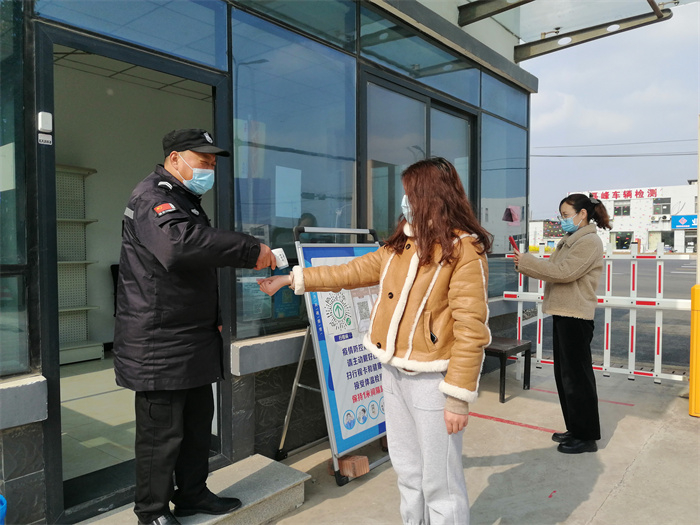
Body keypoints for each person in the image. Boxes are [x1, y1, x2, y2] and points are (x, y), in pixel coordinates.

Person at [259, 157, 492, 525]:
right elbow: (350, 272)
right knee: (409, 472)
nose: (403, 201)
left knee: (440, 483)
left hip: (434, 381)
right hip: (393, 373)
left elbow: (471, 329)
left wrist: (458, 397)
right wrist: (292, 279)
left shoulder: (464, 251)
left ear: (429, 196)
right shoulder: (401, 247)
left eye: (408, 193)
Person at [113, 128, 276, 525]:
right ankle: (151, 512)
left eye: (213, 163)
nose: (209, 169)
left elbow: (193, 272)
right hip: (159, 343)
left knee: (197, 426)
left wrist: (216, 321)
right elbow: (179, 247)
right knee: (161, 435)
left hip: (190, 338)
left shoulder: (185, 200)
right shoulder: (153, 197)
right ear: (174, 160)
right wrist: (249, 249)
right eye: (202, 161)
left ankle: (192, 495)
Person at [513, 193, 611, 454]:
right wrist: (526, 263)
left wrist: (527, 262)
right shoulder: (571, 240)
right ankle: (575, 428)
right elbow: (553, 269)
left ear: (582, 214)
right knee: (565, 376)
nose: (563, 220)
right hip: (564, 312)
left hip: (576, 316)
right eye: (561, 216)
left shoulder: (589, 241)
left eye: (566, 215)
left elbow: (563, 272)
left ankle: (586, 436)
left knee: (577, 378)